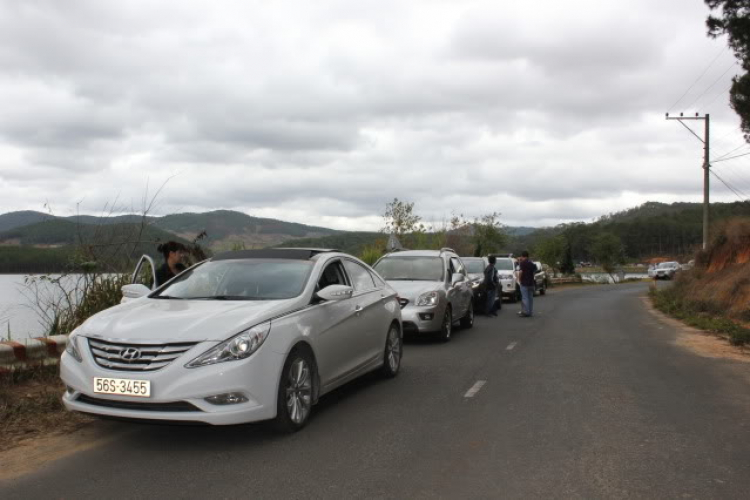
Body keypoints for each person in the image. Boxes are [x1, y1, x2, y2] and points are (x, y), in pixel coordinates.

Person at [516, 250, 537, 317]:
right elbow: (534, 270)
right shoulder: (531, 263)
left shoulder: (523, 263)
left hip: (524, 283)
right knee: (530, 298)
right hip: (531, 283)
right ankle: (530, 311)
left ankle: (526, 312)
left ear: (522, 256)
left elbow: (521, 272)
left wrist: (519, 279)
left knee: (525, 298)